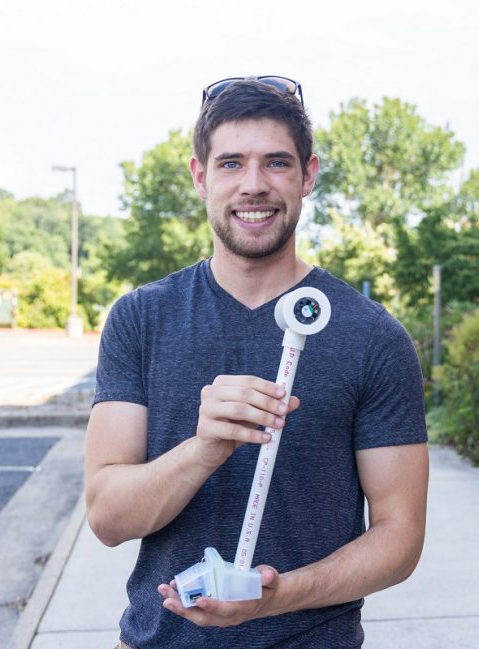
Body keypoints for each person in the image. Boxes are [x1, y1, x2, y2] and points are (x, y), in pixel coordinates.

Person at [85, 75, 429, 649]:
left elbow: (400, 537)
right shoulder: (141, 319)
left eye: (275, 163)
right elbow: (107, 518)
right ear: (200, 177)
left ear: (308, 175)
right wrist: (204, 449)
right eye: (230, 164)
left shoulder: (373, 336)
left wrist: (279, 594)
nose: (253, 185)